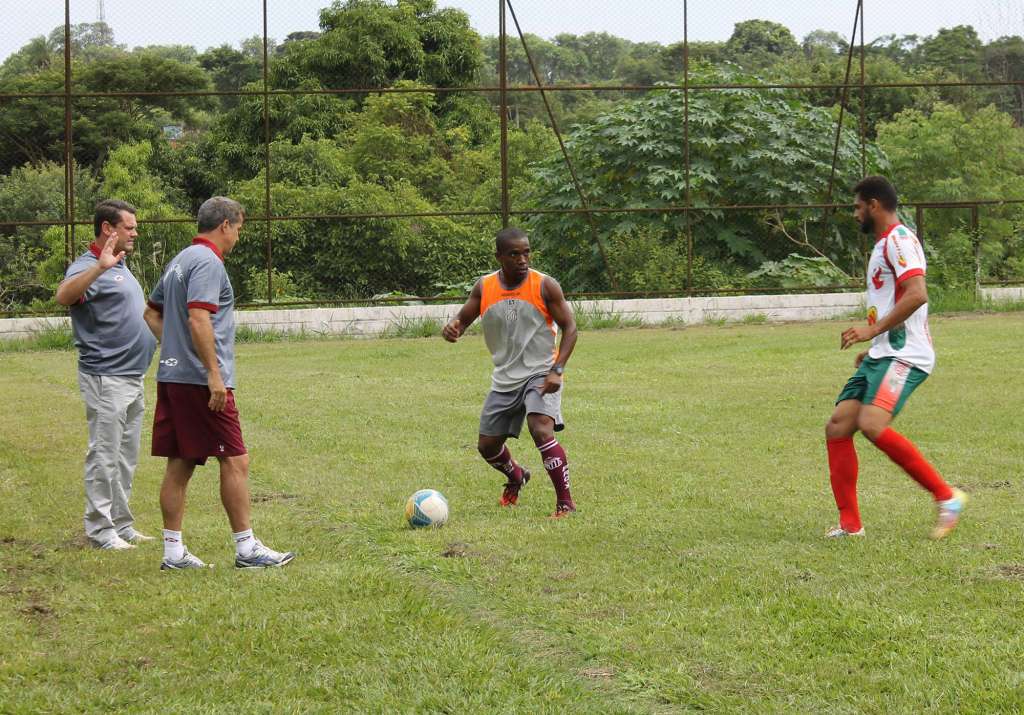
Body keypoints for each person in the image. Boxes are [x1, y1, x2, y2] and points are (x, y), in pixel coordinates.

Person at [143, 197, 294, 569]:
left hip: (173, 375)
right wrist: (213, 372)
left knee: (180, 464)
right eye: (239, 228)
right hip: (199, 381)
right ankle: (247, 549)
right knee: (236, 459)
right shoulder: (209, 262)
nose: (238, 237)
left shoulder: (181, 259)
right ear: (224, 225)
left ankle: (173, 553)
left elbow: (151, 312)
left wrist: (175, 349)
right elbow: (198, 318)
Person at [825, 176, 966, 539]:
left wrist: (873, 332)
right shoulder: (882, 245)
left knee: (871, 424)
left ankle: (947, 497)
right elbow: (893, 300)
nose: (854, 214)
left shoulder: (900, 240)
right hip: (885, 352)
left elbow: (917, 294)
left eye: (857, 207)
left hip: (907, 355)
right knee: (839, 425)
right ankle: (850, 525)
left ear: (874, 205)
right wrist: (875, 346)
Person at [442, 226, 579, 517]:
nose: (522, 259)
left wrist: (557, 369)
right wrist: (453, 327)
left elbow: (570, 327)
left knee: (540, 428)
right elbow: (463, 319)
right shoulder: (485, 286)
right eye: (514, 254)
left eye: (526, 252)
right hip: (505, 377)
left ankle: (565, 504)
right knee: (487, 446)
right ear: (500, 256)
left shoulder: (545, 285)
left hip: (541, 371)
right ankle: (516, 476)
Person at [57, 200, 158, 550]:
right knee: (104, 454)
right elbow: (63, 296)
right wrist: (99, 269)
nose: (135, 232)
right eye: (129, 227)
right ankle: (100, 530)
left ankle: (120, 524)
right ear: (107, 228)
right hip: (106, 377)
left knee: (125, 456)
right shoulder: (88, 266)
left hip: (132, 376)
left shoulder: (122, 265)